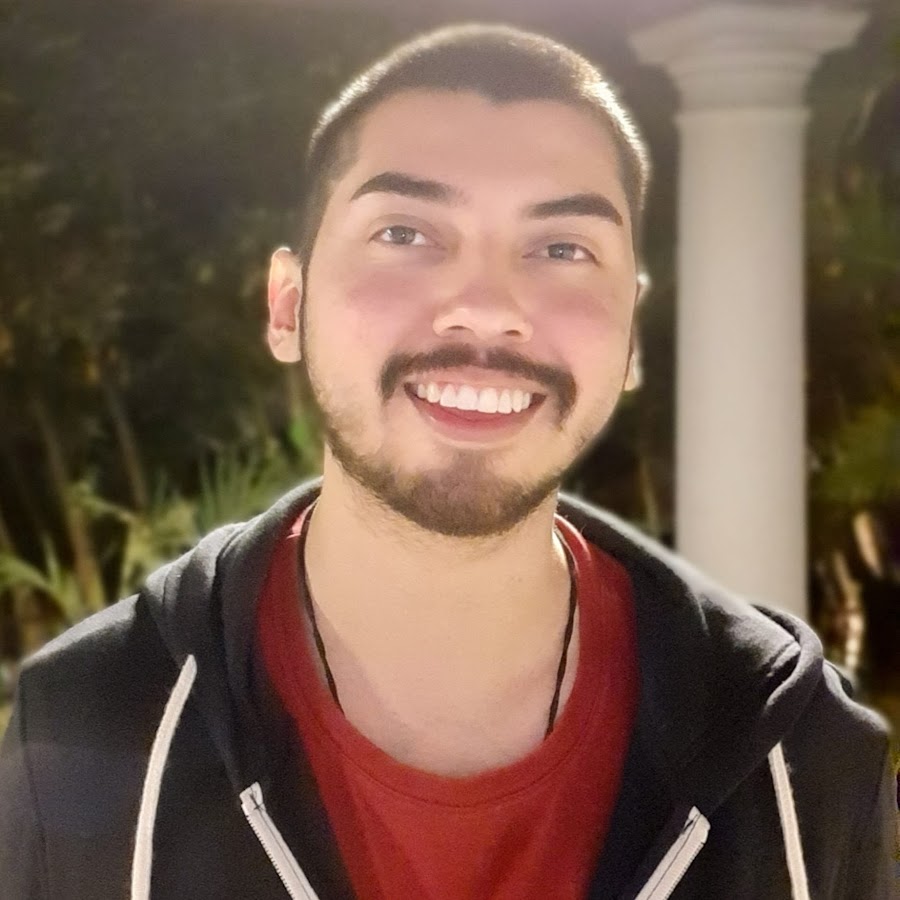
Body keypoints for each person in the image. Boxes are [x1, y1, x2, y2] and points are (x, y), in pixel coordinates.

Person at [0, 23, 895, 900]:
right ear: (287, 305)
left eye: (562, 248)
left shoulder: (805, 764)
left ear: (630, 336)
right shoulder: (89, 727)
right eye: (405, 233)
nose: (487, 307)